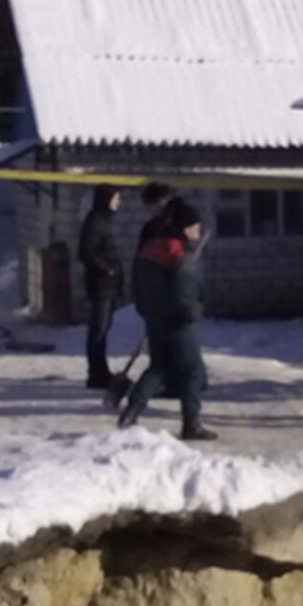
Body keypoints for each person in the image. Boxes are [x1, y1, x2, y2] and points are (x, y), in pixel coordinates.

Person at [117, 198, 216, 441]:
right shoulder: (179, 253)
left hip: (153, 317)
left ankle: (131, 412)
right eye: (194, 227)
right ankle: (191, 424)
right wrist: (193, 313)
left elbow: (136, 285)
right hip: (177, 321)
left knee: (159, 367)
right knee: (192, 370)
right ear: (184, 227)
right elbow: (184, 292)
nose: (198, 232)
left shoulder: (151, 248)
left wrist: (147, 311)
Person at [78, 183, 123, 388]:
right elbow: (86, 252)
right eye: (115, 199)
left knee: (103, 328)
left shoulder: (103, 221)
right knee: (99, 329)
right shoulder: (96, 221)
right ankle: (96, 373)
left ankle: (100, 370)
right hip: (101, 285)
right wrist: (107, 269)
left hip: (108, 285)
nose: (118, 202)